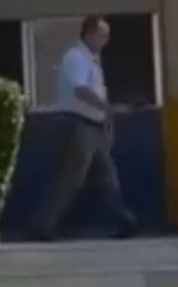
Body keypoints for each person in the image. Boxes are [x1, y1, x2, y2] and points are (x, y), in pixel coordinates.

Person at [27, 15, 138, 241]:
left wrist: (106, 121)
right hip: (77, 125)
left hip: (93, 127)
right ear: (88, 33)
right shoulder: (76, 57)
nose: (105, 40)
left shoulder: (92, 61)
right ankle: (41, 226)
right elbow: (80, 90)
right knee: (70, 178)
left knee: (107, 177)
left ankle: (125, 221)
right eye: (102, 34)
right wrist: (106, 108)